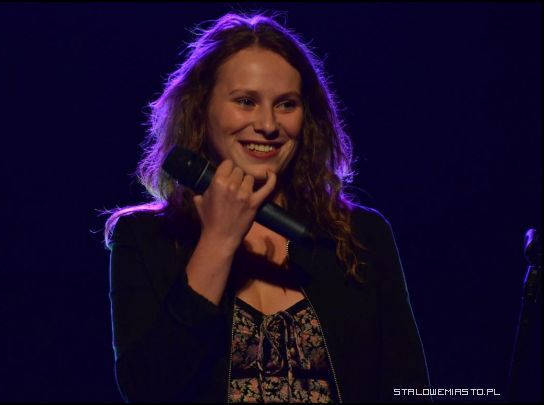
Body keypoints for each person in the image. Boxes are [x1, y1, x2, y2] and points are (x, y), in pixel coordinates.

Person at [104, 11, 431, 403]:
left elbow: (408, 388)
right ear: (202, 108)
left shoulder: (360, 235)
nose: (269, 125)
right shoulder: (145, 237)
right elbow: (150, 390)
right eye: (246, 102)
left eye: (286, 104)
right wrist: (218, 240)